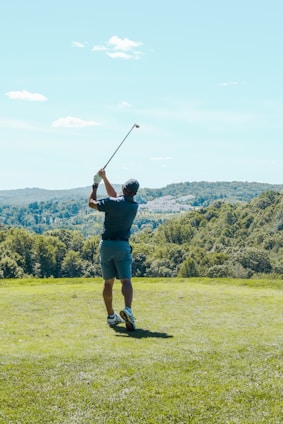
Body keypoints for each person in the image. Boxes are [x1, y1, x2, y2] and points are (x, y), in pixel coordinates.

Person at [88, 169, 139, 331]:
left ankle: (111, 316)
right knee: (126, 280)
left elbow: (92, 203)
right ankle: (128, 310)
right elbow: (116, 197)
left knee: (108, 282)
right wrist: (104, 178)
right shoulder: (133, 205)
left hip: (107, 245)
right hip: (123, 246)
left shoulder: (113, 203)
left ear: (123, 189)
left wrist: (95, 186)